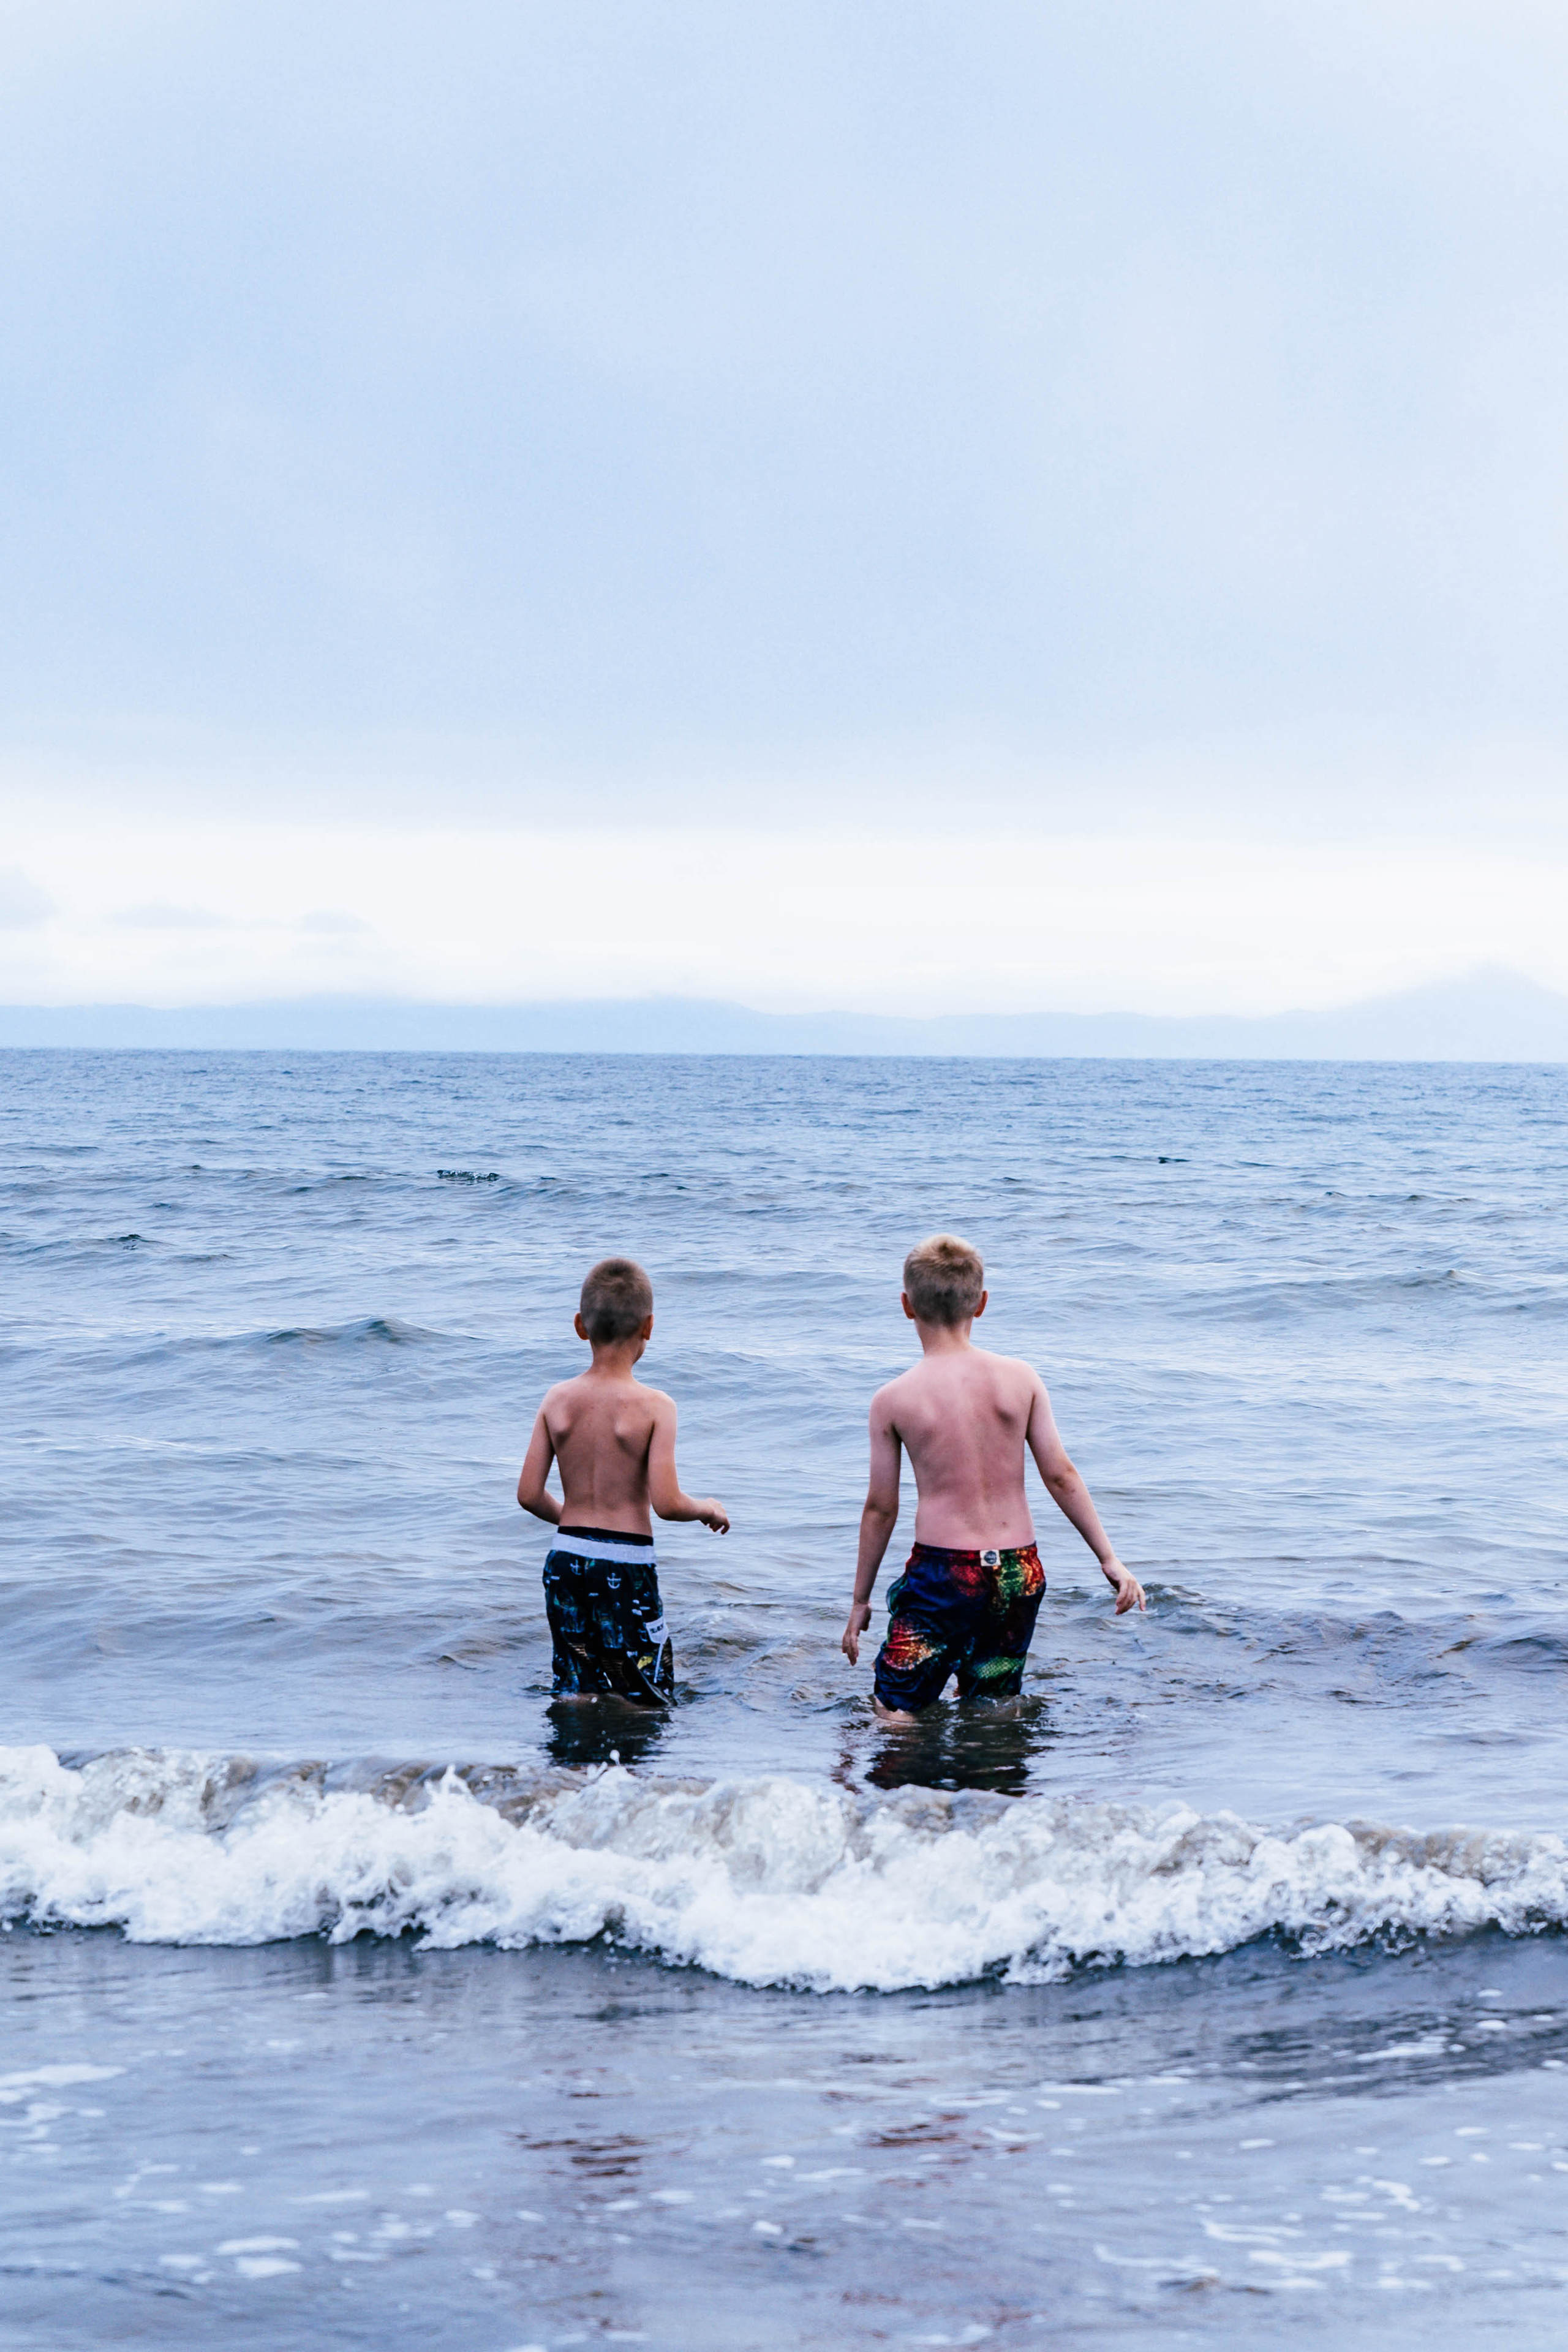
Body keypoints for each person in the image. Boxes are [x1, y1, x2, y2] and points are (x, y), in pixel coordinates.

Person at [840, 1234, 1145, 1722]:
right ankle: (991, 1793)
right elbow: (1061, 1475)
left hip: (944, 1576)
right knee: (992, 1704)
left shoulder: (893, 1399)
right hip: (1017, 1573)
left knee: (896, 1708)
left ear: (905, 1306)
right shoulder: (1022, 1379)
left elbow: (881, 1508)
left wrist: (860, 1600)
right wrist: (1109, 1558)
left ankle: (911, 1797)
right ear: (981, 1304)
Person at [518, 1256, 728, 1705]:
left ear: (579, 1325)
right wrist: (706, 1508)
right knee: (644, 1690)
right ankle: (629, 1773)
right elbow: (667, 1504)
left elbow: (529, 1494)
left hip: (566, 1558)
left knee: (576, 1685)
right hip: (625, 1565)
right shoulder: (656, 1407)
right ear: (649, 1327)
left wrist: (572, 1519)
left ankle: (569, 1771)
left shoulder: (556, 1400)